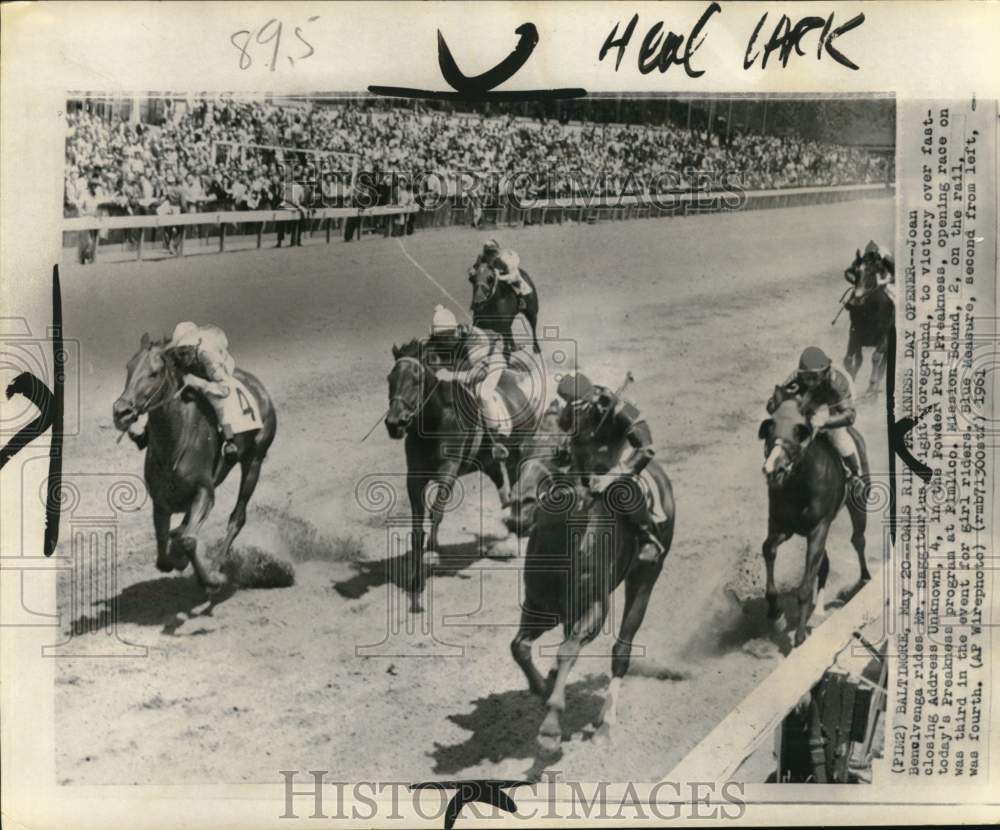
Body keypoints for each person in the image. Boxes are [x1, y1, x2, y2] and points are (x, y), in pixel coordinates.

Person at [555, 371, 666, 563]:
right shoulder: (569, 410)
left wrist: (613, 475)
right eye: (571, 409)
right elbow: (565, 439)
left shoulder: (624, 406)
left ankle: (647, 537)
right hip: (588, 454)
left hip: (619, 451)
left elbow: (646, 448)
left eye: (579, 408)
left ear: (591, 399)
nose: (575, 414)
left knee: (622, 489)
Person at [134, 321, 241, 460]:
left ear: (196, 347)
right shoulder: (175, 354)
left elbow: (223, 390)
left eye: (186, 350)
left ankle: (229, 442)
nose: (182, 356)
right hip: (192, 377)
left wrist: (199, 383)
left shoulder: (208, 358)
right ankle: (146, 434)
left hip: (212, 380)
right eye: (179, 350)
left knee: (217, 401)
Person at [428, 305, 510, 460]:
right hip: (476, 365)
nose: (446, 340)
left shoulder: (471, 336)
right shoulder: (453, 339)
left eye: (448, 335)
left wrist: (451, 376)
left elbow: (475, 375)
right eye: (441, 337)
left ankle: (498, 437)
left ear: (455, 330)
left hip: (492, 362)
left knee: (483, 393)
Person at [767, 346, 862, 480]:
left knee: (837, 436)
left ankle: (855, 475)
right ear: (801, 374)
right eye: (807, 377)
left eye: (814, 377)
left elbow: (850, 416)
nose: (811, 382)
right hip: (813, 397)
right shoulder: (797, 377)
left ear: (825, 372)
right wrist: (779, 403)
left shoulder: (837, 382)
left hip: (833, 397)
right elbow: (771, 404)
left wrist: (825, 422)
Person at [469, 239, 533, 309]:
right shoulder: (481, 257)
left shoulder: (505, 260)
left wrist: (499, 277)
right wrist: (472, 271)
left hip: (510, 268)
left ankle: (521, 298)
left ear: (497, 253)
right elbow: (475, 267)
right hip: (497, 268)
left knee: (514, 281)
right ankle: (476, 301)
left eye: (493, 253)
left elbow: (514, 276)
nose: (490, 256)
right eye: (488, 253)